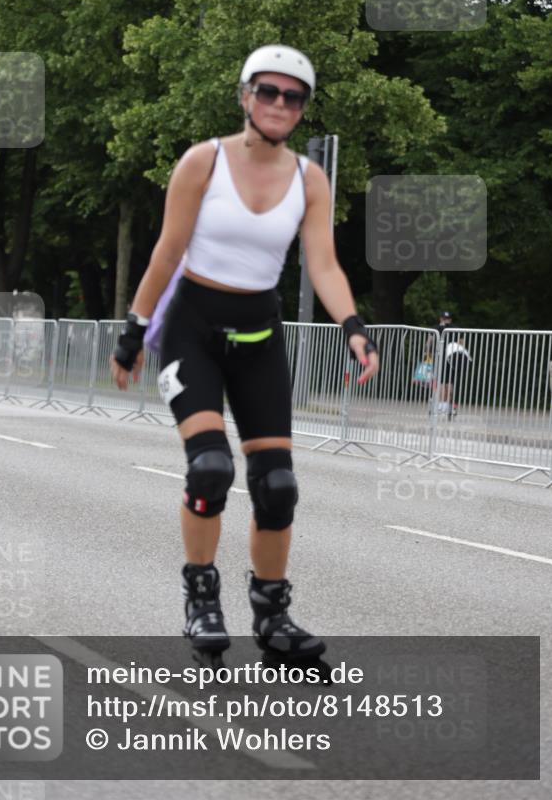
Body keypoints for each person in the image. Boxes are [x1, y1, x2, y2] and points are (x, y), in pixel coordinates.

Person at [111, 45, 379, 664]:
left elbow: (324, 264)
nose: (279, 104)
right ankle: (202, 599)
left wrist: (354, 326)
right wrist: (134, 331)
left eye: (293, 96)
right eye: (268, 91)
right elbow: (166, 253)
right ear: (245, 96)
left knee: (277, 486)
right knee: (210, 470)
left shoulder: (311, 180)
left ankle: (272, 617)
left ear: (302, 109)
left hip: (259, 335)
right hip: (192, 330)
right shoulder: (202, 163)